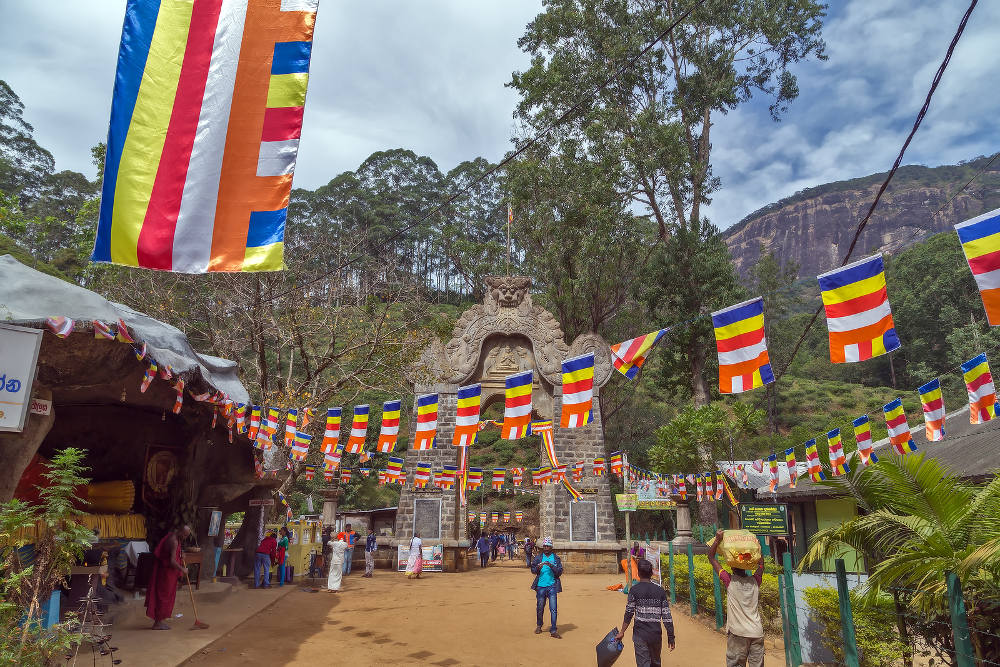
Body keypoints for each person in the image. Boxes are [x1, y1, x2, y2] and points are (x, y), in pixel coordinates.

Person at [708, 529, 765, 667]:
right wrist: (757, 548)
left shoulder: (730, 581)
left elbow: (711, 558)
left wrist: (717, 540)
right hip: (757, 632)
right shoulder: (755, 581)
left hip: (738, 633)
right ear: (746, 568)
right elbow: (762, 565)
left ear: (732, 567)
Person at [616, 558, 676, 667]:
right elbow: (667, 617)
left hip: (640, 636)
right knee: (656, 663)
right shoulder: (660, 591)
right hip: (655, 635)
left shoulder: (634, 590)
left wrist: (622, 632)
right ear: (651, 573)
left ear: (638, 573)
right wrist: (671, 636)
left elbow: (628, 613)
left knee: (643, 664)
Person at [146, 525, 190, 630]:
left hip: (168, 572)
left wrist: (181, 555)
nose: (185, 538)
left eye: (186, 536)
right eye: (184, 535)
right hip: (166, 573)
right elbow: (171, 561)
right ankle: (157, 623)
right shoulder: (173, 541)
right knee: (163, 596)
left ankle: (159, 621)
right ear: (180, 531)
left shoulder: (175, 536)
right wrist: (182, 569)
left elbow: (173, 554)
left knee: (167, 595)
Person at [530, 537, 563, 639]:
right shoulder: (538, 558)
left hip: (552, 586)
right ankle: (539, 625)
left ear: (551, 547)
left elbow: (559, 572)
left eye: (548, 546)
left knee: (553, 609)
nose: (546, 548)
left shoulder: (556, 559)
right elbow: (533, 570)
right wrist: (537, 568)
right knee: (540, 607)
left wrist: (551, 566)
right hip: (540, 586)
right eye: (544, 546)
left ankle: (553, 630)